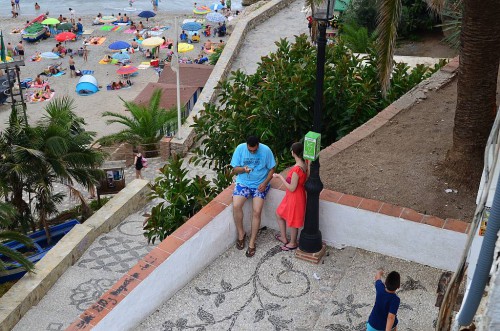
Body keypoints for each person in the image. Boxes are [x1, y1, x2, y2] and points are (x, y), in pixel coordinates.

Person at [230, 135, 276, 257]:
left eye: (254, 150)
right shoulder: (240, 149)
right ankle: (241, 234)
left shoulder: (266, 150)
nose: (252, 151)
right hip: (243, 182)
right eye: (250, 150)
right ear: (246, 145)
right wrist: (243, 169)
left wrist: (265, 183)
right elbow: (235, 169)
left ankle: (252, 242)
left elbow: (272, 169)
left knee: (257, 211)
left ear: (258, 145)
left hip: (260, 184)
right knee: (236, 205)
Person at [272, 142, 307, 251]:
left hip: (294, 196)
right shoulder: (305, 164)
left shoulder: (296, 169)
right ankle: (284, 237)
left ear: (293, 152)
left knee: (293, 220)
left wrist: (280, 177)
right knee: (279, 213)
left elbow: (292, 187)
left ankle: (292, 243)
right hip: (296, 194)